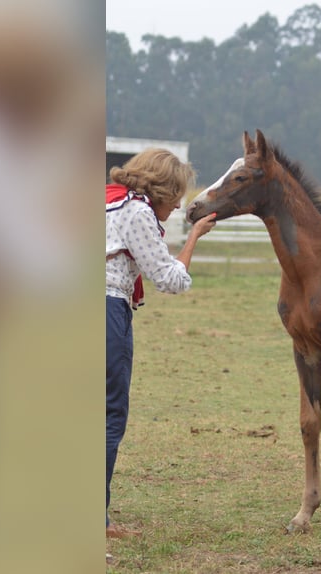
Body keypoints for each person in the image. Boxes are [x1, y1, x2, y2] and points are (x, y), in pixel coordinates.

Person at [105, 148, 216, 539]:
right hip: (106, 310)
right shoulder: (137, 212)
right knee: (108, 415)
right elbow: (170, 279)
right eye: (178, 193)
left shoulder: (106, 201)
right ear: (163, 189)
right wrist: (195, 238)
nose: (180, 202)